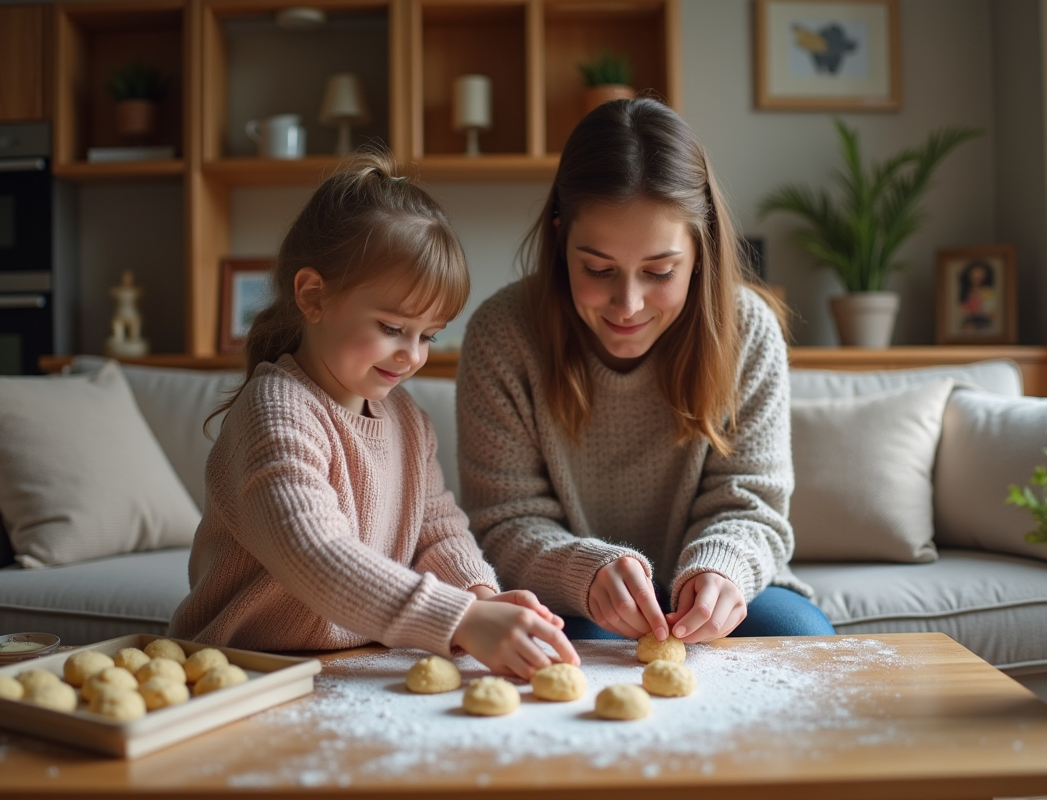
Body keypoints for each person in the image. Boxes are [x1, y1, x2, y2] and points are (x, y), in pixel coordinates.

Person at [169, 153, 578, 680]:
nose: (412, 354)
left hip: (349, 666)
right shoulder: (275, 409)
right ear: (313, 296)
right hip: (241, 672)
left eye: (428, 335)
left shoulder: (407, 419)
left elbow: (437, 532)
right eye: (391, 327)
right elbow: (314, 552)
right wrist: (462, 619)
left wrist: (480, 596)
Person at [456, 98, 835, 644]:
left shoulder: (747, 330)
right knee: (583, 656)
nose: (627, 303)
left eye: (659, 271)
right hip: (573, 598)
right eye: (598, 268)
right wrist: (584, 573)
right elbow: (503, 524)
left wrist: (722, 566)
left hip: (718, 588)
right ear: (560, 235)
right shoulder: (503, 333)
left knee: (799, 636)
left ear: (700, 250)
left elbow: (752, 503)